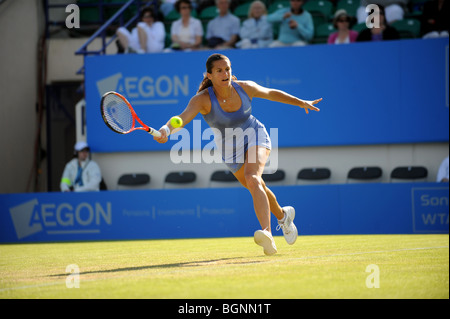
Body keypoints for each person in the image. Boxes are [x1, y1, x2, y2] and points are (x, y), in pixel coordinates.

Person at [154, 53, 322, 255]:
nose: (225, 73)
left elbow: (270, 93)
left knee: (253, 178)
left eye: (227, 69)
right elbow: (181, 118)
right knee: (256, 186)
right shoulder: (202, 100)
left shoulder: (245, 88)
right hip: (229, 150)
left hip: (255, 136)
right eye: (219, 71)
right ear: (209, 75)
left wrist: (300, 102)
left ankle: (267, 233)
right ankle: (283, 216)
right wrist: (166, 129)